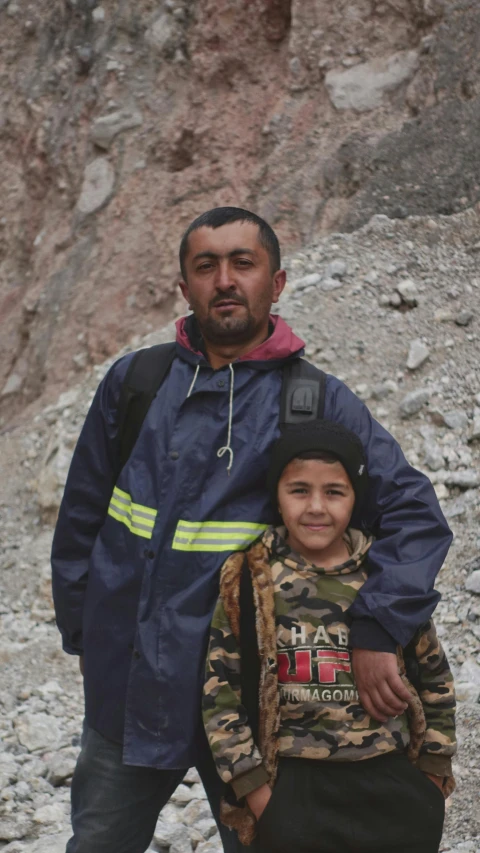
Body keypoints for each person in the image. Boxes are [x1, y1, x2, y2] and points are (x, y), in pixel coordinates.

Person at [51, 207, 452, 853]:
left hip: (253, 707)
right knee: (98, 842)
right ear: (185, 287)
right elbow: (81, 523)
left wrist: (378, 626)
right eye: (206, 266)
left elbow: (413, 515)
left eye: (244, 262)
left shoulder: (316, 402)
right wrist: (86, 632)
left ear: (278, 281)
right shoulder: (137, 385)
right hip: (128, 690)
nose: (225, 279)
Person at [203, 420, 456, 853]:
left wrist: (430, 782)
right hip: (295, 788)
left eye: (334, 492)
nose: (316, 507)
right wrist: (262, 798)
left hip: (390, 784)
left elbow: (435, 680)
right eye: (299, 490)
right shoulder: (250, 581)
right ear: (277, 499)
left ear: (355, 499)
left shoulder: (386, 580)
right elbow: (219, 695)